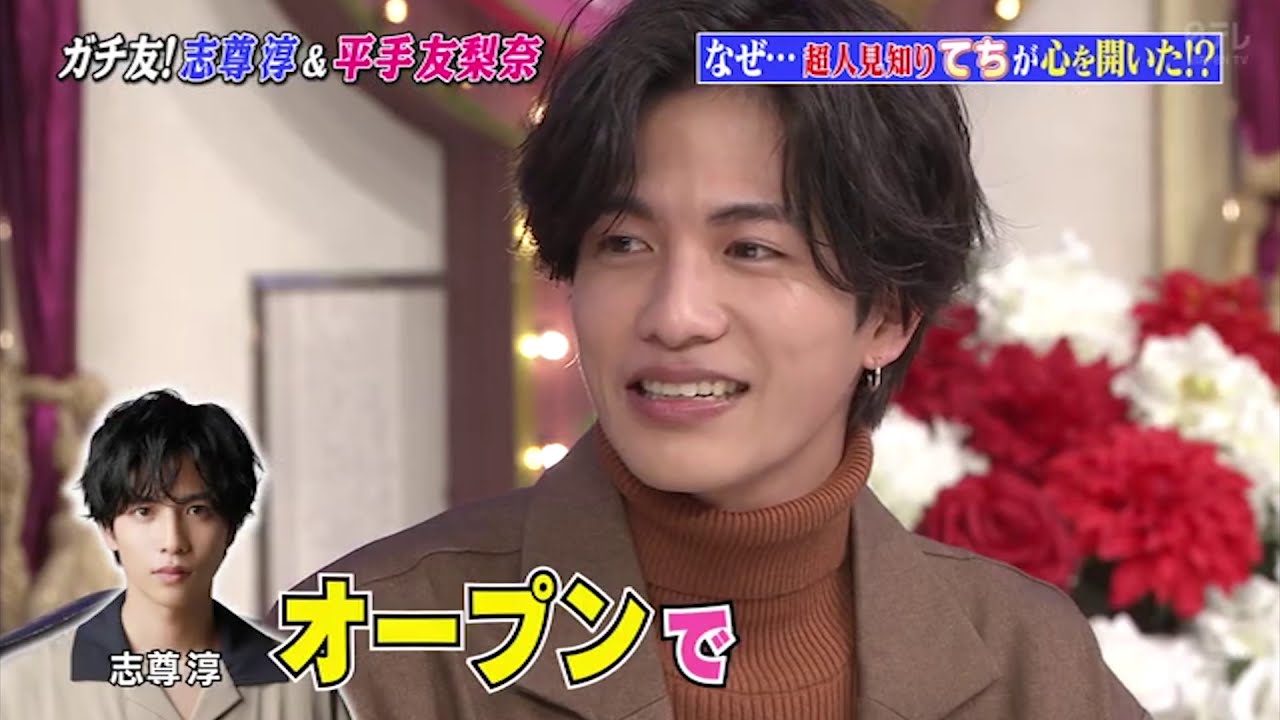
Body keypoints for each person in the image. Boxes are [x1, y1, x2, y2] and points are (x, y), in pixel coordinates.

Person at [269, 1, 1152, 718]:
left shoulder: (1030, 661)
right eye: (624, 243)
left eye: (751, 250)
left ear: (887, 313)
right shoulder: (365, 649)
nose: (675, 314)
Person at [0, 390, 351, 720]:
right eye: (144, 512)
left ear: (230, 527)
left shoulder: (302, 689)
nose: (173, 541)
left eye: (197, 510)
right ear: (109, 528)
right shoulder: (24, 689)